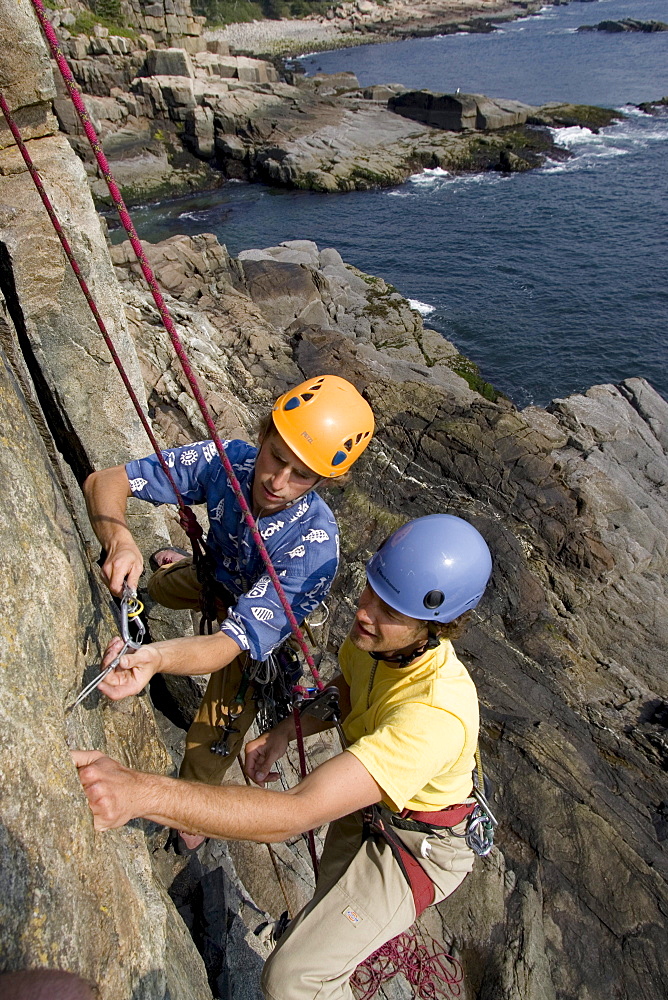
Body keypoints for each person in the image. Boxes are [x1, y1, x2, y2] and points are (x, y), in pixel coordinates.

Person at [73, 514, 493, 999]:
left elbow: (292, 815)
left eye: (390, 610)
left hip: (421, 845)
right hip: (378, 806)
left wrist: (138, 791)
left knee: (294, 978)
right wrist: (281, 736)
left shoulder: (436, 715)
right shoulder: (379, 645)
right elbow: (350, 688)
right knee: (319, 922)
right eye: (372, 590)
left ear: (436, 627)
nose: (366, 612)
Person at [82, 374, 374, 847]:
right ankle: (167, 571)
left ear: (324, 480)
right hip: (213, 575)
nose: (277, 482)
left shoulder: (313, 549)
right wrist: (120, 540)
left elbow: (225, 646)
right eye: (276, 457)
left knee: (207, 747)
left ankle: (193, 826)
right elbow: (107, 481)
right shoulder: (228, 463)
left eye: (301, 474)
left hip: (251, 638)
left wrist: (154, 658)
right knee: (156, 583)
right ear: (263, 436)